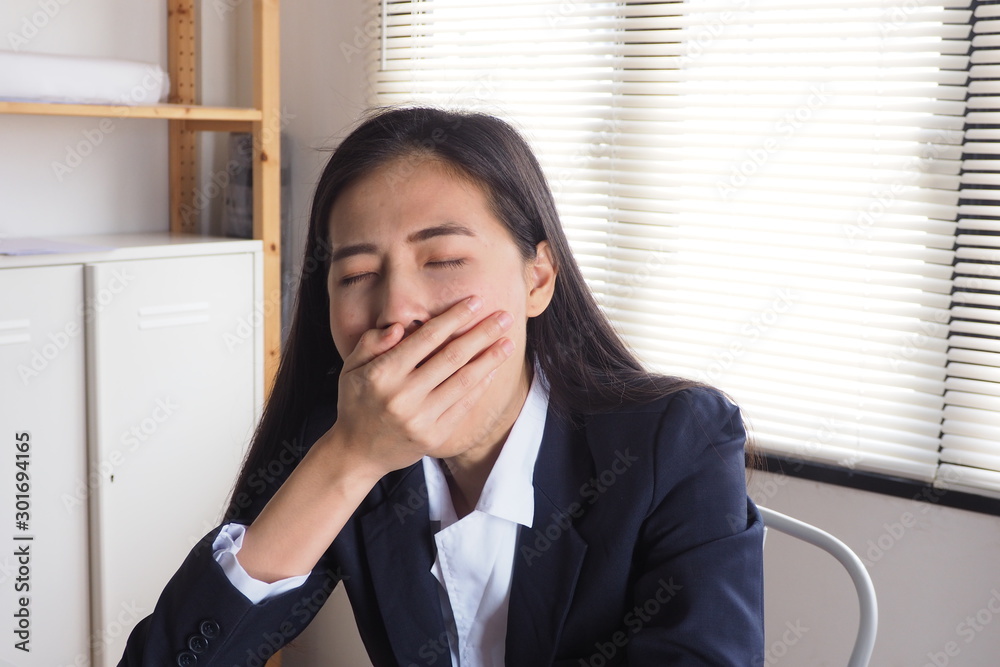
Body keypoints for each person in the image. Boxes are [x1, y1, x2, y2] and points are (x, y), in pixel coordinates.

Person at [119, 106, 764, 666]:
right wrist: (349, 461)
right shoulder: (342, 440)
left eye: (446, 260)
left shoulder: (680, 440)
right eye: (356, 275)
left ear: (538, 279)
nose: (397, 309)